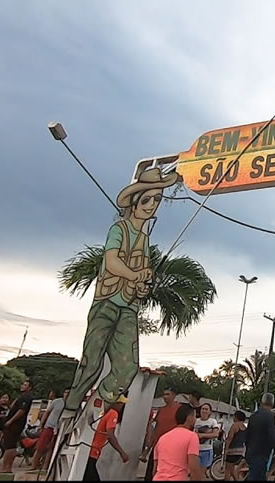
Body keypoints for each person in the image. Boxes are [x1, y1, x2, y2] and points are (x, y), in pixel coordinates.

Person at [66, 169, 179, 416]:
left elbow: (141, 273)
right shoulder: (119, 229)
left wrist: (143, 282)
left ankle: (97, 406)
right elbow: (111, 261)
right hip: (106, 303)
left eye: (157, 200)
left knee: (127, 368)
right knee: (91, 363)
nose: (151, 206)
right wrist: (134, 275)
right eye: (147, 199)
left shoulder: (144, 238)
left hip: (129, 306)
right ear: (135, 201)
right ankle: (72, 406)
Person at [154, 403, 204, 481]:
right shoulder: (192, 436)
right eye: (194, 416)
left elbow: (155, 468)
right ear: (189, 418)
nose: (195, 419)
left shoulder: (162, 438)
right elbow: (193, 467)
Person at [86, 396, 130, 481]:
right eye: (121, 404)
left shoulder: (104, 412)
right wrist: (122, 452)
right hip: (94, 451)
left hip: (90, 450)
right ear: (116, 403)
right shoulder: (113, 413)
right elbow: (110, 435)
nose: (122, 407)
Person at [144, 388, 181, 481]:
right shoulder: (161, 410)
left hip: (171, 446)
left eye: (168, 394)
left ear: (173, 395)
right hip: (157, 444)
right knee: (151, 472)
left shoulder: (179, 409)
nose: (165, 397)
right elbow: (155, 427)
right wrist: (149, 445)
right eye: (164, 394)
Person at [0, 379, 34, 473]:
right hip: (13, 423)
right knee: (8, 444)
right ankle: (5, 467)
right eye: (22, 384)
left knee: (10, 445)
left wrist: (10, 421)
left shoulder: (26, 397)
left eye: (25, 385)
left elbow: (21, 411)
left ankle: (7, 467)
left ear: (29, 388)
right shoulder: (20, 397)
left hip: (16, 424)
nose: (22, 386)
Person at [244, 393, 275, 482]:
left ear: (262, 402)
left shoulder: (253, 416)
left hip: (251, 451)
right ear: (272, 403)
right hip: (261, 453)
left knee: (255, 475)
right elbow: (272, 435)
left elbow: (247, 435)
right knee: (257, 476)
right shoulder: (270, 416)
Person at [32, 388, 67, 470]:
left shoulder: (71, 404)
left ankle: (45, 466)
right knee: (40, 446)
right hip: (49, 426)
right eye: (66, 392)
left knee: (51, 447)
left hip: (59, 428)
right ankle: (34, 465)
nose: (67, 394)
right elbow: (47, 412)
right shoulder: (56, 402)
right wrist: (41, 425)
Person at [195, 402, 221, 477]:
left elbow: (215, 434)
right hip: (195, 449)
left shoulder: (212, 422)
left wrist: (202, 435)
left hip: (206, 449)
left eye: (206, 409)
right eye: (202, 409)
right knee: (194, 472)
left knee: (201, 473)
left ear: (210, 412)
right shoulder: (196, 421)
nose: (204, 411)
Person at [224, 411, 248, 481]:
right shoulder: (244, 427)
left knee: (227, 470)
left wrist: (226, 449)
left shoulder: (235, 425)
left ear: (236, 417)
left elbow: (230, 438)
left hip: (232, 451)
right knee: (232, 469)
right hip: (240, 451)